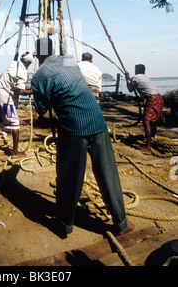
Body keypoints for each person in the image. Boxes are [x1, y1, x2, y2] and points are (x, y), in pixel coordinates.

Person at [31, 37, 134, 239]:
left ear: (38, 55)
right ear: (52, 50)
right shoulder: (69, 59)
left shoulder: (39, 76)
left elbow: (42, 110)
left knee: (69, 178)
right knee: (108, 174)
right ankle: (121, 223)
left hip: (73, 128)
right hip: (97, 122)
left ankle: (64, 224)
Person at [0, 51, 34, 158]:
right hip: (6, 101)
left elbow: (20, 57)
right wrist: (31, 91)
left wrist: (32, 53)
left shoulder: (13, 64)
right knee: (15, 125)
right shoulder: (22, 73)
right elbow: (21, 91)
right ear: (29, 64)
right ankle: (15, 152)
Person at [126, 64, 164, 154]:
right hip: (158, 98)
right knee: (153, 121)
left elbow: (130, 89)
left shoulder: (135, 77)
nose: (134, 71)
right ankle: (152, 139)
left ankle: (148, 148)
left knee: (146, 121)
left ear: (137, 70)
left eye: (135, 69)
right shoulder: (145, 77)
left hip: (152, 99)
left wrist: (127, 79)